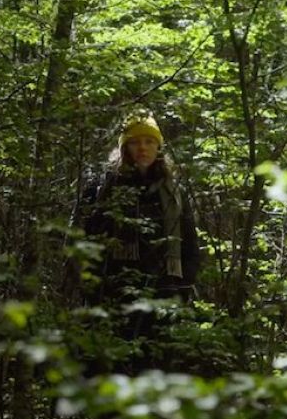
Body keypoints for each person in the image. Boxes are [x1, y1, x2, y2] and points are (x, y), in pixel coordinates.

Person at [73, 112, 201, 337]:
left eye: (149, 141)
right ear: (124, 148)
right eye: (135, 142)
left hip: (163, 293)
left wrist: (182, 290)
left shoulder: (173, 192)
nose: (143, 148)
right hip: (113, 294)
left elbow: (190, 246)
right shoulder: (102, 187)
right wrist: (92, 289)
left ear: (158, 147)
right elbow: (81, 240)